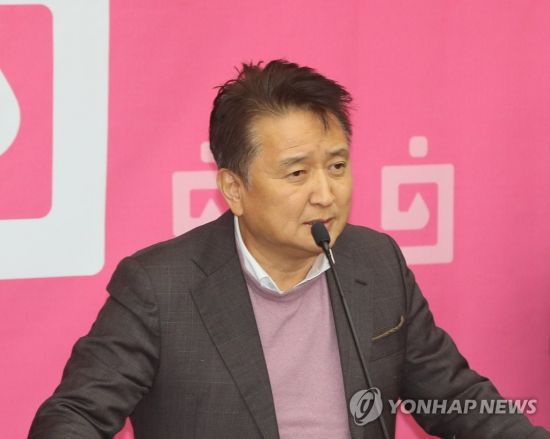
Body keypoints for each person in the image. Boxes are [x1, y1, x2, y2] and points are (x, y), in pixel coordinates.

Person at [29, 60, 549, 439]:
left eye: (337, 167)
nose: (325, 194)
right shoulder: (160, 287)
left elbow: (454, 398)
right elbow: (74, 416)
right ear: (234, 188)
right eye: (297, 173)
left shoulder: (376, 262)